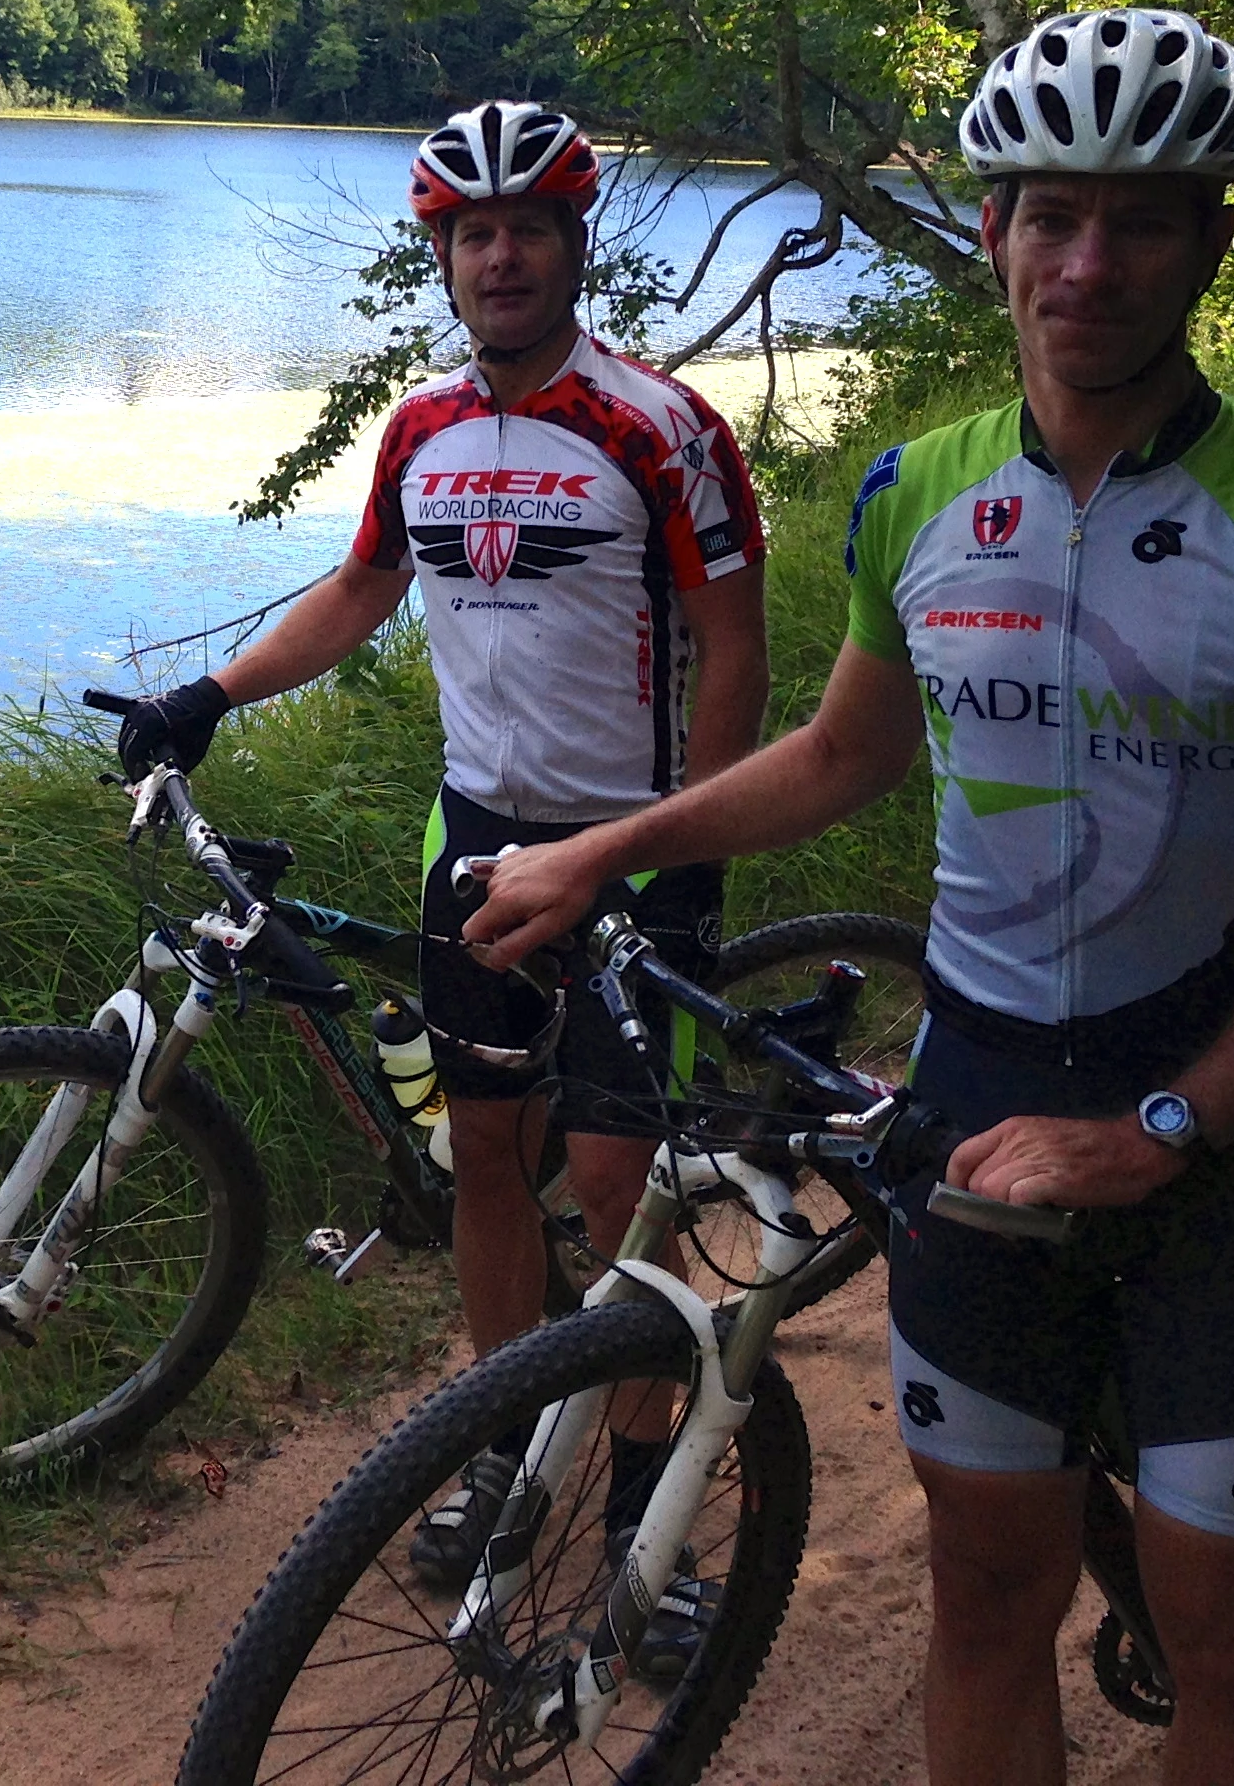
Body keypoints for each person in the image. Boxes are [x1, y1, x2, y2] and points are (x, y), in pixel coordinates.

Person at [462, 9, 1234, 1786]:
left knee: (1225, 1646)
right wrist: (607, 847)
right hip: (977, 1097)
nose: (1089, 263)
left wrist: (1164, 1125)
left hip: (1215, 1142)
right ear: (989, 229)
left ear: (1213, 240)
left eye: (1143, 220)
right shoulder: (920, 490)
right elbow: (846, 755)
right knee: (984, 1599)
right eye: (1050, 214)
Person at [110, 98, 769, 1597]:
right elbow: (357, 596)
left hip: (627, 853)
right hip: (473, 846)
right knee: (483, 1158)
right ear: (444, 258)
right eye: (475, 233)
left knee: (619, 1191)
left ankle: (646, 1524)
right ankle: (508, 1444)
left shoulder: (661, 426)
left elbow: (735, 653)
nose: (502, 255)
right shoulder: (419, 428)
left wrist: (692, 851)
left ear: (571, 244)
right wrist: (207, 695)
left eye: (530, 226)